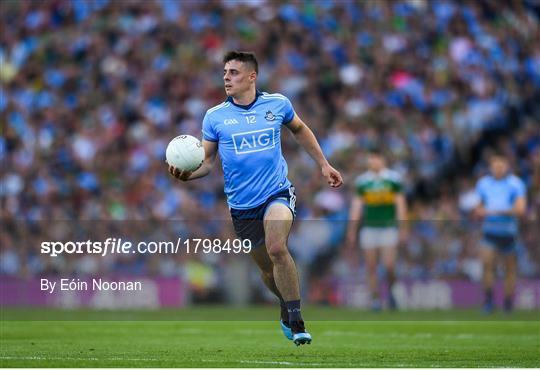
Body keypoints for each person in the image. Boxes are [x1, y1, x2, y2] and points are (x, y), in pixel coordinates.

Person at [168, 51, 343, 345]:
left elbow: (300, 129)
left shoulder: (277, 104)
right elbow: (208, 163)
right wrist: (188, 175)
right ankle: (285, 305)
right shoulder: (215, 117)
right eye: (225, 72)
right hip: (241, 205)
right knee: (266, 270)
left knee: (277, 248)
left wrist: (324, 164)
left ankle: (297, 319)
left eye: (233, 72)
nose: (226, 77)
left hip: (277, 193)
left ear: (252, 76)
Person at [345, 150, 407, 311]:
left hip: (388, 227)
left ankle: (392, 292)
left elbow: (400, 205)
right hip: (369, 228)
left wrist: (403, 227)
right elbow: (357, 207)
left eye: (376, 158)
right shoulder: (363, 182)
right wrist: (352, 229)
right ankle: (375, 299)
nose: (373, 161)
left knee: (389, 265)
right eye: (371, 158)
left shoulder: (393, 179)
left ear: (383, 160)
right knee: (371, 266)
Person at [474, 154, 527, 313]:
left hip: (509, 233)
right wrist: (482, 211)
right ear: (490, 167)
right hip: (489, 233)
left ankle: (508, 302)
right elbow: (478, 208)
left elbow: (520, 209)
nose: (498, 168)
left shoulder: (516, 184)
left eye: (501, 165)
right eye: (495, 165)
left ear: (507, 165)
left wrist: (494, 211)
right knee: (487, 265)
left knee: (509, 270)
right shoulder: (483, 184)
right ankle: (489, 301)